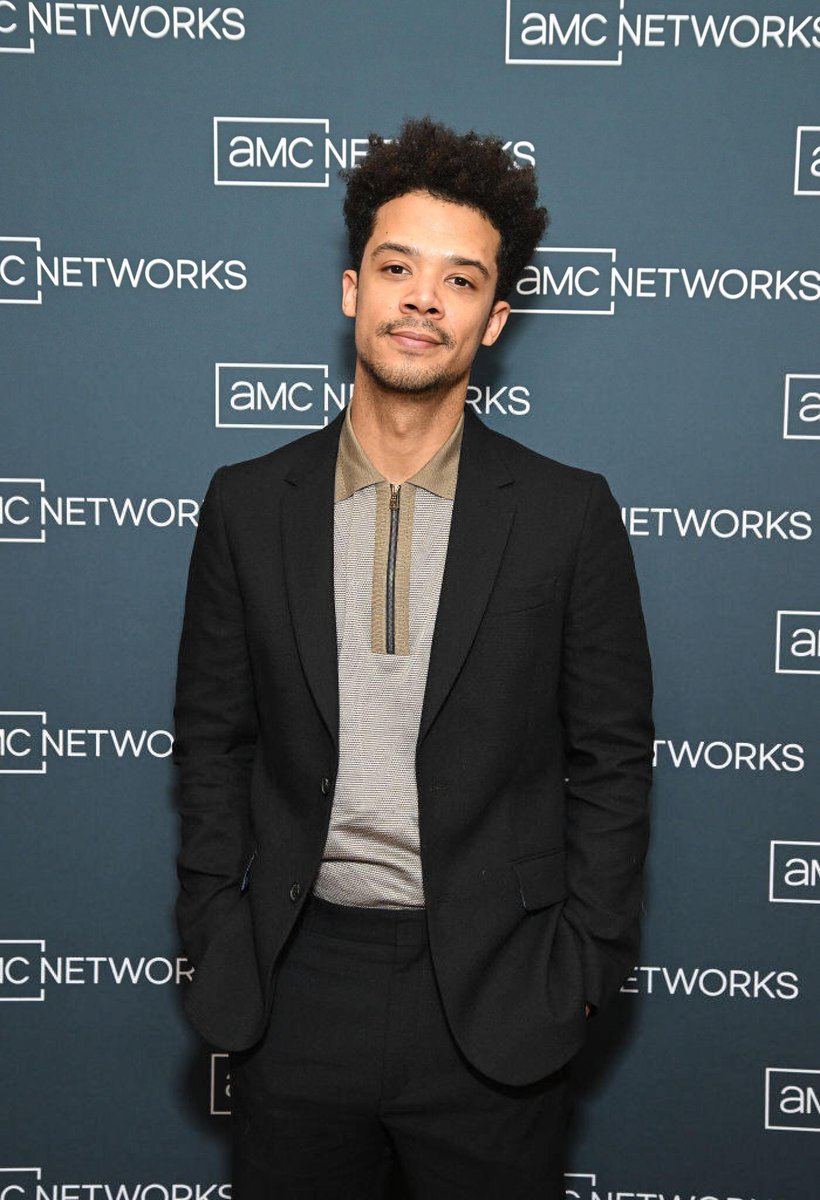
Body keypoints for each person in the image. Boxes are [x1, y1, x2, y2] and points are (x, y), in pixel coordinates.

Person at [172, 116, 654, 1198]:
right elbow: (212, 741)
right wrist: (214, 930)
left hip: (494, 994)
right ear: (353, 290)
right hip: (294, 988)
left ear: (494, 318)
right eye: (397, 268)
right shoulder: (248, 506)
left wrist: (577, 971)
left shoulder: (568, 516)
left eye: (460, 279)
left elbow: (614, 762)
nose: (423, 299)